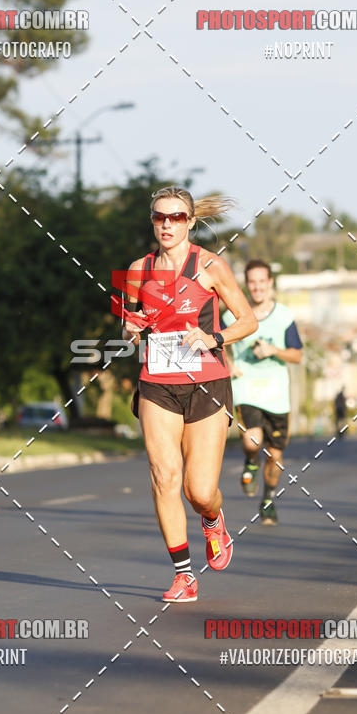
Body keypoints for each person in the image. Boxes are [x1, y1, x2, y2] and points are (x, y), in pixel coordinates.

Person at [119, 187, 257, 603]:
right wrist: (132, 327)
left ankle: (214, 520)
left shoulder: (211, 266)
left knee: (198, 490)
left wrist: (213, 337)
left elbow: (247, 320)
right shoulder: (137, 270)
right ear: (152, 220)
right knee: (164, 477)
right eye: (160, 217)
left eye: (177, 217)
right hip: (156, 382)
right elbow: (127, 326)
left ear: (190, 222)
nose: (167, 224)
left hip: (207, 384)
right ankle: (183, 575)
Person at [222, 259, 303, 525]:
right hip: (246, 388)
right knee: (251, 441)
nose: (256, 287)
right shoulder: (231, 315)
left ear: (269, 283)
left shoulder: (284, 316)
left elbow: (297, 355)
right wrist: (229, 365)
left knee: (276, 456)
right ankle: (250, 462)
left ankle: (268, 499)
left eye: (261, 282)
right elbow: (218, 342)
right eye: (252, 282)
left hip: (277, 394)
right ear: (246, 285)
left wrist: (273, 351)